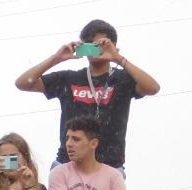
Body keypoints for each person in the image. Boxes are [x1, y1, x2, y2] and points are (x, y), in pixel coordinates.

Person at [14, 18, 160, 171]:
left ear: (113, 45)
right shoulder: (68, 78)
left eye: (101, 44)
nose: (95, 48)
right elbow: (23, 83)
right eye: (90, 44)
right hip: (67, 164)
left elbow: (153, 88)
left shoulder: (123, 79)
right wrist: (57, 58)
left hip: (109, 166)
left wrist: (118, 58)